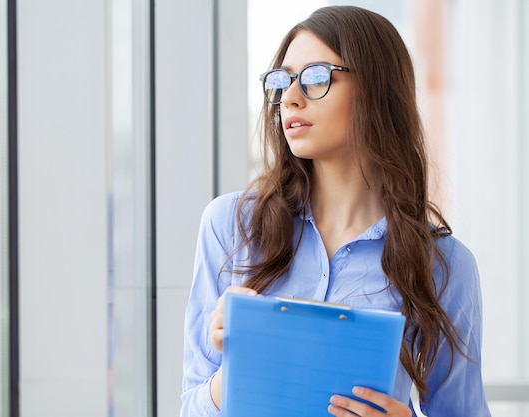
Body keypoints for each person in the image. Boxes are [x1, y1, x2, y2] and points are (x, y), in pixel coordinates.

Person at [180, 5, 491, 417]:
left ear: (378, 90)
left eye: (315, 78)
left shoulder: (444, 264)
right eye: (283, 81)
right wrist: (234, 371)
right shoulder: (230, 225)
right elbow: (190, 407)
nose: (290, 98)